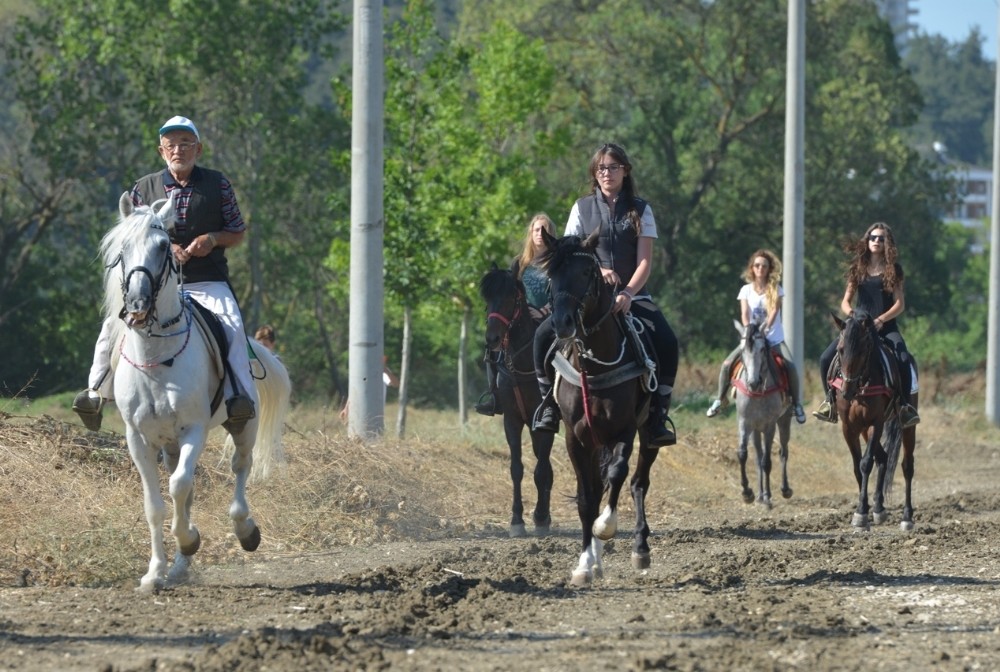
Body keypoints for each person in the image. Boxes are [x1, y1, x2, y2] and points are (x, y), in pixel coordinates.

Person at [72, 116, 257, 434]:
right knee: (111, 327)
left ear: (198, 148)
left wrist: (212, 239)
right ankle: (96, 393)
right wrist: (167, 246)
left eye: (186, 144)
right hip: (157, 285)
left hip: (207, 280)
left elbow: (237, 233)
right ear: (161, 151)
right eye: (171, 145)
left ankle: (239, 397)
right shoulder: (143, 188)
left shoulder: (217, 183)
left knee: (233, 327)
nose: (178, 150)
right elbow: (133, 234)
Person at [531, 143, 679, 447]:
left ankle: (657, 417)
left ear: (625, 171)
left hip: (633, 295)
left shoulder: (641, 209)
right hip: (588, 295)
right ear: (594, 174)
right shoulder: (580, 207)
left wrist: (626, 293)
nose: (606, 173)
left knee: (667, 341)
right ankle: (547, 403)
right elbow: (572, 254)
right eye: (600, 168)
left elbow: (645, 262)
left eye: (612, 167)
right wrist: (600, 272)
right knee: (543, 336)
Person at [812, 222, 920, 427]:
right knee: (825, 357)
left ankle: (905, 407)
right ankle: (830, 402)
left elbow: (900, 304)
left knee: (904, 359)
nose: (876, 241)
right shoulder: (858, 268)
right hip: (858, 329)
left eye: (881, 238)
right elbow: (845, 301)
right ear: (867, 241)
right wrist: (853, 314)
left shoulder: (894, 270)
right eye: (873, 237)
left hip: (886, 327)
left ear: (887, 243)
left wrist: (880, 320)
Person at [705, 249, 806, 423]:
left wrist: (765, 327)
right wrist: (749, 330)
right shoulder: (745, 290)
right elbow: (744, 313)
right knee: (727, 364)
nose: (760, 268)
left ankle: (797, 404)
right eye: (757, 265)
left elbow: (774, 310)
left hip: (773, 337)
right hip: (751, 339)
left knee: (790, 366)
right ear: (752, 268)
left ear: (769, 269)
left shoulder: (775, 288)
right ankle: (720, 399)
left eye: (764, 266)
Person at [475, 213, 555, 416]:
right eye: (537, 229)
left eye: (544, 229)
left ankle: (559, 398)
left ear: (551, 233)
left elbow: (561, 292)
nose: (540, 233)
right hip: (522, 319)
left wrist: (546, 309)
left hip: (550, 318)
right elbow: (512, 294)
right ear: (531, 233)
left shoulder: (557, 263)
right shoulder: (519, 264)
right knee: (495, 347)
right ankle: (494, 394)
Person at [339, 356, 399, 421]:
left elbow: (396, 384)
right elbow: (354, 391)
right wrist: (346, 408)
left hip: (376, 412)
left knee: (374, 430)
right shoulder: (361, 371)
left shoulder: (382, 373)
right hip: (359, 411)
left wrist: (385, 370)